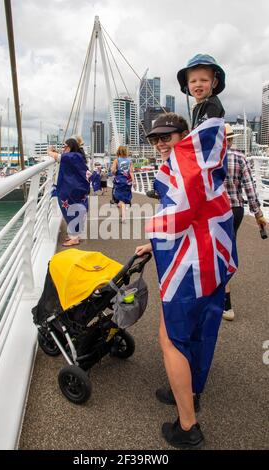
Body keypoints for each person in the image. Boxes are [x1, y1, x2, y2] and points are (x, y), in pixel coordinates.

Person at [136, 112, 237, 449]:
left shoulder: (187, 166)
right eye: (156, 139)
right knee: (197, 332)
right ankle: (188, 390)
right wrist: (153, 244)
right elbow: (199, 211)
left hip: (192, 265)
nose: (161, 143)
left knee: (171, 339)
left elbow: (179, 214)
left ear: (185, 134)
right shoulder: (201, 164)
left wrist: (153, 234)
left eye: (168, 136)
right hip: (210, 261)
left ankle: (188, 426)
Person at [223, 123, 267, 320]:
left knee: (216, 251)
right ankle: (225, 303)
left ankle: (226, 303)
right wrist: (258, 214)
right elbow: (250, 190)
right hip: (235, 210)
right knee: (227, 249)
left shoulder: (207, 159)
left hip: (213, 212)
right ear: (232, 139)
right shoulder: (240, 158)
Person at [48, 138, 90, 247]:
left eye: (65, 146)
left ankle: (74, 238)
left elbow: (58, 157)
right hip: (77, 188)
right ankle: (75, 235)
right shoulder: (77, 156)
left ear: (70, 146)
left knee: (70, 210)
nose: (63, 148)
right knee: (76, 210)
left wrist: (49, 151)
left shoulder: (73, 156)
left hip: (72, 189)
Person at [177, 54, 225, 129]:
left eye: (204, 80)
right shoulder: (197, 107)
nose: (198, 84)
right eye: (193, 81)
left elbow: (206, 133)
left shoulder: (212, 104)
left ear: (214, 83)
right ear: (187, 85)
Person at [111, 146, 135, 223]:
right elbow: (131, 172)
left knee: (119, 199)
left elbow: (113, 171)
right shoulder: (130, 161)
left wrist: (115, 172)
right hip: (128, 182)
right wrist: (134, 181)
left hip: (119, 181)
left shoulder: (116, 160)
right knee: (123, 199)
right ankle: (121, 215)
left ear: (118, 152)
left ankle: (123, 215)